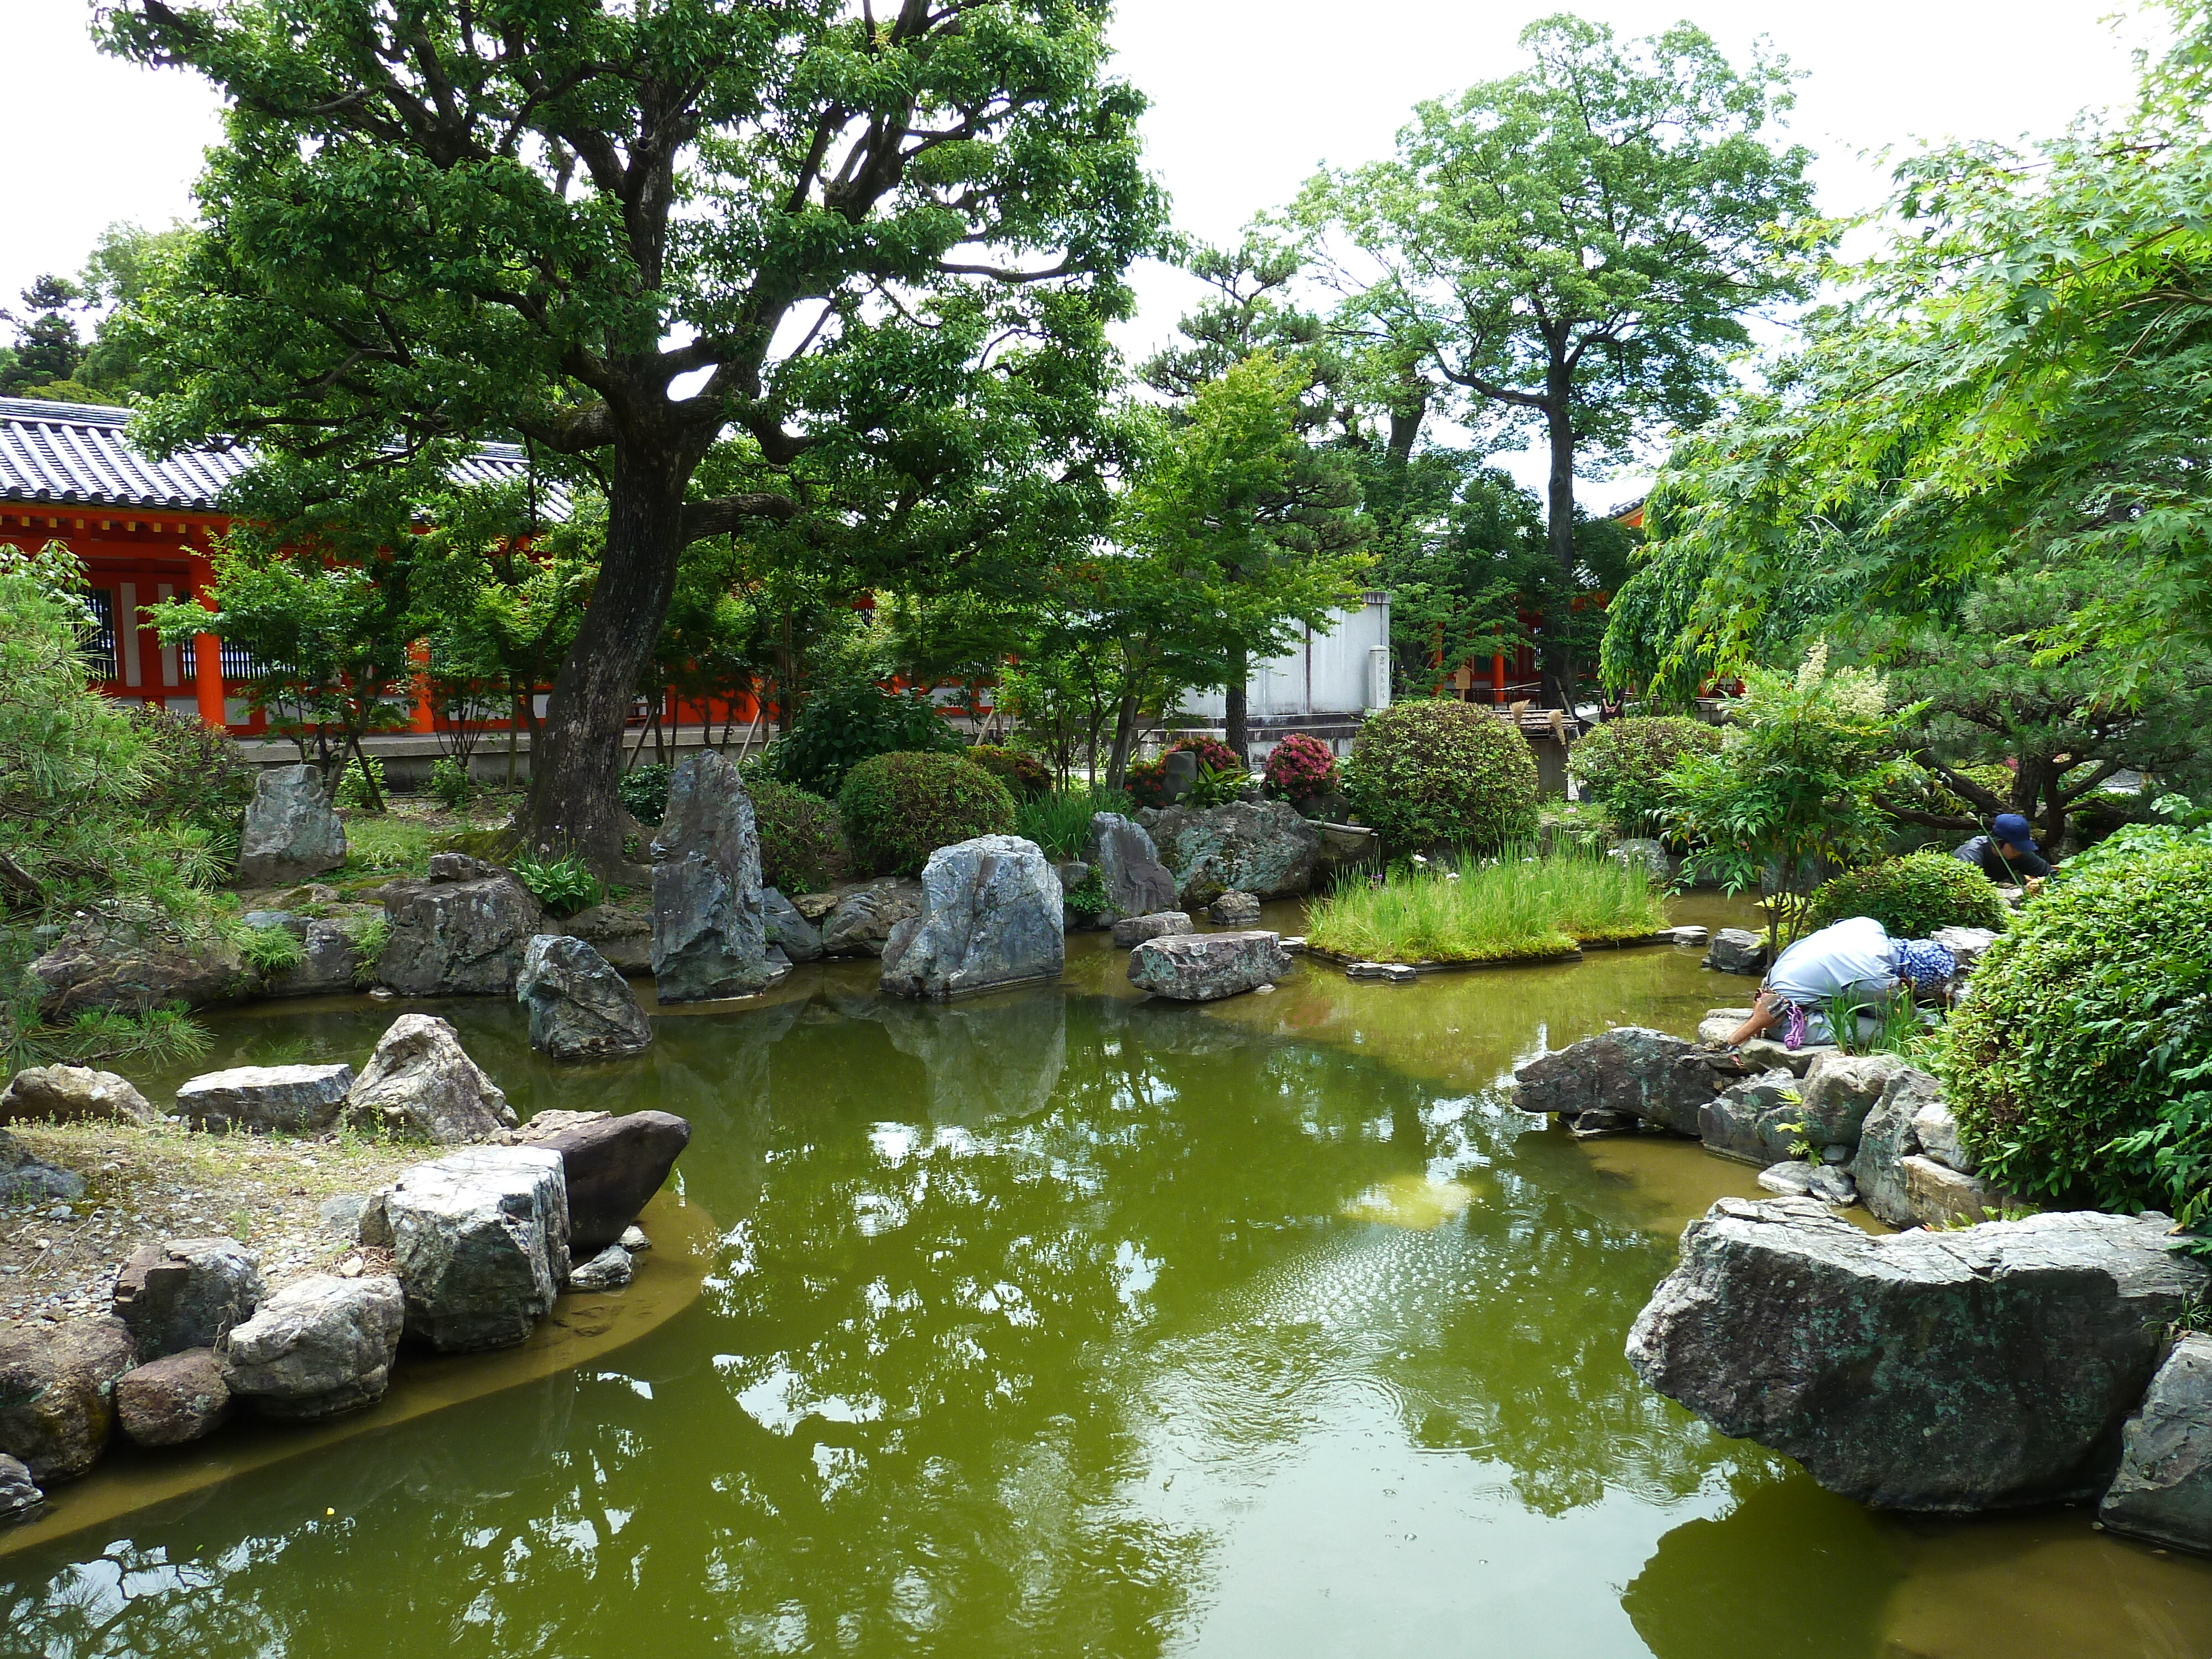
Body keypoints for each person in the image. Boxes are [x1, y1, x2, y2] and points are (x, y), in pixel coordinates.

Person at [1725, 916, 1956, 1049]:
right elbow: (1903, 1019)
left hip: (1770, 987)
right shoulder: (1879, 982)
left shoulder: (1869, 926)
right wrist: (1941, 1024)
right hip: (1785, 1018)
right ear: (1907, 980)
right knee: (1889, 1030)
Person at [1953, 813, 2051, 885]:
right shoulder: (1974, 851)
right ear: (1998, 843)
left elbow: (2052, 874)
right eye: (2015, 847)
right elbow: (1970, 886)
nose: (2020, 851)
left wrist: (2041, 882)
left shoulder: (2020, 854)